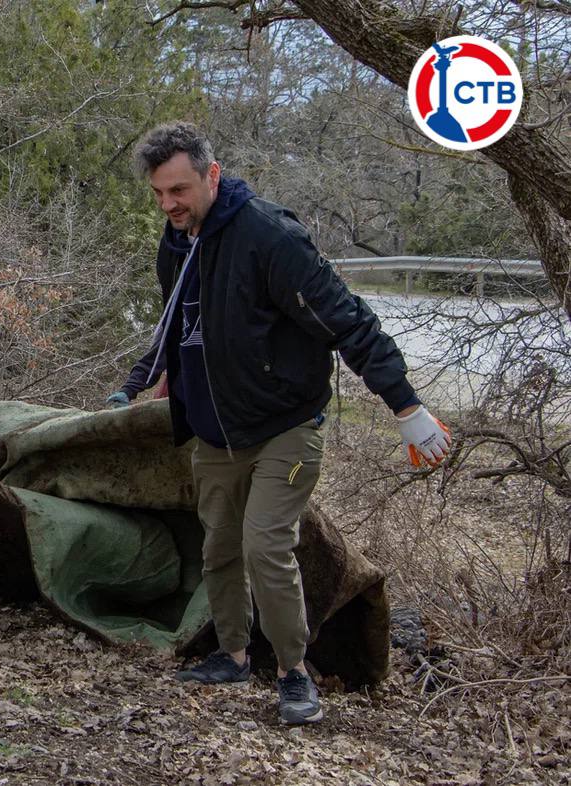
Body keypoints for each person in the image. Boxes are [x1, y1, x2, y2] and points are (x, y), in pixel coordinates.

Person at [111, 122, 451, 725]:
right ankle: (234, 654)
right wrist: (147, 381)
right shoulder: (177, 238)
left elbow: (350, 323)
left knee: (266, 545)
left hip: (284, 426)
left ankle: (295, 673)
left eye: (180, 190)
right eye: (160, 194)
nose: (169, 205)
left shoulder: (270, 237)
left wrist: (407, 408)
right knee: (218, 546)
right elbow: (176, 325)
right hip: (215, 428)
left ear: (213, 175)